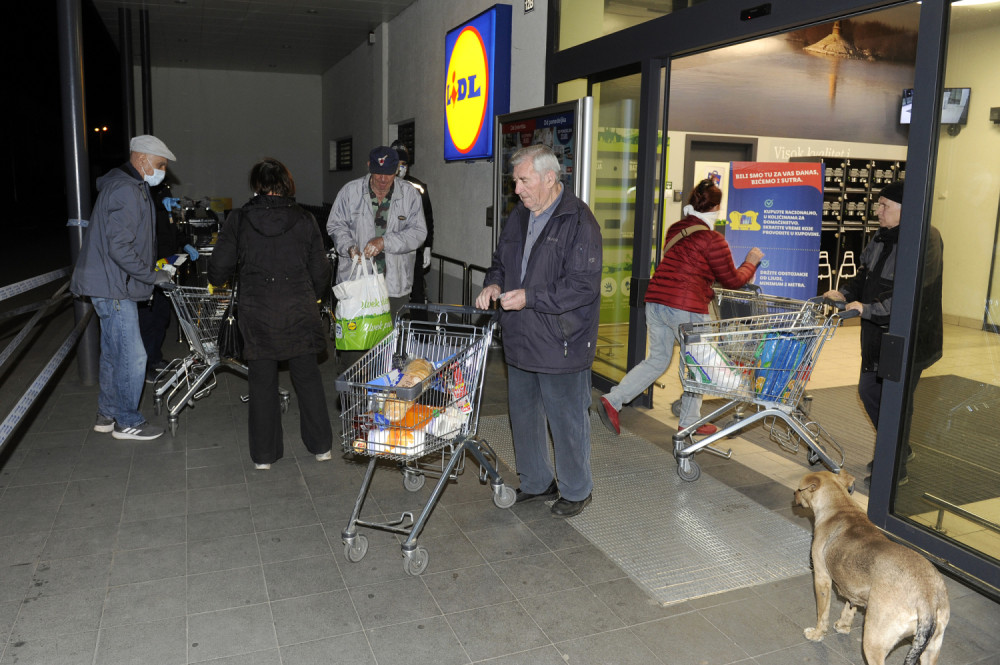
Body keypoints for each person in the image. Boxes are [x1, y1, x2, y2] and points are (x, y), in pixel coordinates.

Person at [475, 144, 603, 518]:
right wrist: (493, 285)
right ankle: (535, 480)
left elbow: (583, 286)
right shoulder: (519, 215)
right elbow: (500, 261)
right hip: (519, 335)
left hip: (561, 339)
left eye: (523, 180)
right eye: (515, 180)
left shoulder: (579, 221)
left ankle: (577, 490)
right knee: (524, 414)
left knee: (566, 419)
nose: (516, 189)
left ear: (550, 178)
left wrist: (529, 297)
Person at [597, 179, 764, 438]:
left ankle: (613, 400)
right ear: (717, 207)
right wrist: (750, 263)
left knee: (657, 359)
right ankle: (688, 422)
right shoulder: (712, 239)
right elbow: (732, 280)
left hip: (656, 301)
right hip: (685, 307)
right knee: (697, 364)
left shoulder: (676, 229)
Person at [208, 158, 333, 470]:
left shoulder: (239, 219)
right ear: (286, 185)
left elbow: (218, 269)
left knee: (262, 381)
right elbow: (320, 269)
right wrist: (313, 298)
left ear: (257, 186)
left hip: (257, 311)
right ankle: (321, 447)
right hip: (299, 309)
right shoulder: (304, 218)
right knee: (307, 377)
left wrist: (219, 279)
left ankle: (264, 456)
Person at [824, 180, 943, 487]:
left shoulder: (925, 240)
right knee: (870, 391)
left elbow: (911, 295)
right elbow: (866, 274)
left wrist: (869, 309)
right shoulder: (882, 236)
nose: (877, 211)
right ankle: (898, 447)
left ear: (904, 210)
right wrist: (845, 292)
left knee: (895, 399)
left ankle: (894, 465)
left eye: (884, 206)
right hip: (877, 335)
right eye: (878, 205)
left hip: (908, 338)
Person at [70, 135, 178, 441]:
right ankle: (127, 421)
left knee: (113, 354)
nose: (163, 171)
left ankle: (107, 414)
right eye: (160, 164)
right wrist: (151, 275)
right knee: (134, 357)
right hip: (114, 286)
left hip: (112, 283)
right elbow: (120, 247)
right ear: (142, 159)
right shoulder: (126, 190)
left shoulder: (130, 186)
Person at [326, 145, 427, 318]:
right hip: (356, 284)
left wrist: (384, 242)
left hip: (394, 286)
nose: (382, 179)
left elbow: (418, 232)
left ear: (397, 170)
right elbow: (335, 225)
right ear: (369, 166)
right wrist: (349, 247)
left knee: (390, 341)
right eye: (378, 172)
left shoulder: (410, 195)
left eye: (388, 173)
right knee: (356, 341)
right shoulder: (350, 192)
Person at [389, 140, 434, 313]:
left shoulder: (417, 187)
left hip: (413, 251)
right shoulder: (384, 185)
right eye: (398, 164)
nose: (401, 168)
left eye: (404, 164)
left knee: (416, 293)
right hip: (390, 251)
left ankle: (420, 335)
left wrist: (428, 245)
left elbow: (428, 218)